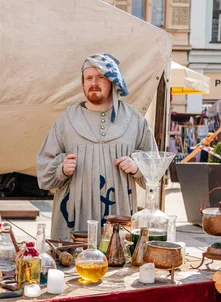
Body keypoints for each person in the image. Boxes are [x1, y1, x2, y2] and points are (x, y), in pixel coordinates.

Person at [37, 53, 157, 240]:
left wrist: (137, 167)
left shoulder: (134, 120)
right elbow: (44, 172)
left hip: (119, 218)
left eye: (100, 77)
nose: (94, 82)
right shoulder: (67, 120)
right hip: (73, 220)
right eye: (88, 78)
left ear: (112, 81)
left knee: (118, 261)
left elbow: (156, 168)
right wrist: (61, 169)